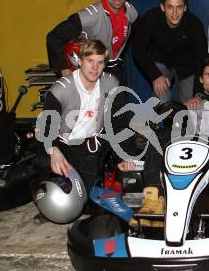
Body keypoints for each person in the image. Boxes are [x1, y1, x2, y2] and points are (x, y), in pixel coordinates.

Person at [129, 56, 209, 227]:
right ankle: (153, 200)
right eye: (208, 75)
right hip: (185, 148)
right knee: (159, 133)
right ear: (201, 79)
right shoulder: (189, 106)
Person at [36, 40, 135, 193]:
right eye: (90, 61)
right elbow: (47, 127)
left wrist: (126, 155)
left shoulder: (111, 83)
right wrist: (54, 152)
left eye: (100, 62)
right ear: (80, 61)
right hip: (64, 144)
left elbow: (120, 123)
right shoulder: (60, 90)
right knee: (54, 178)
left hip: (94, 142)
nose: (95, 68)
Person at [46, 0, 138, 83]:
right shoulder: (88, 17)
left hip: (112, 70)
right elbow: (53, 38)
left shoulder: (132, 13)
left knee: (117, 99)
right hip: (84, 73)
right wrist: (64, 69)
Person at [132, 0, 208, 103]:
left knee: (193, 106)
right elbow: (138, 49)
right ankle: (161, 120)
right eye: (170, 7)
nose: (174, 13)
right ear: (162, 7)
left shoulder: (195, 25)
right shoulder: (151, 18)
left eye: (179, 7)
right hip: (161, 63)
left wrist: (198, 94)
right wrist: (155, 75)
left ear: (185, 8)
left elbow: (202, 60)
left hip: (188, 66)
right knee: (161, 100)